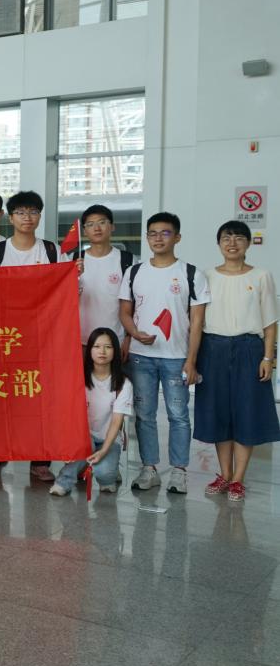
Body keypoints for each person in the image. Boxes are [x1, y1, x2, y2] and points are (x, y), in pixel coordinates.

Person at [120, 212, 210, 495]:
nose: (158, 238)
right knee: (144, 415)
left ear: (177, 237)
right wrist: (135, 334)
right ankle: (149, 468)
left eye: (165, 233)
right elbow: (124, 312)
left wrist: (191, 361)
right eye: (153, 233)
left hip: (177, 358)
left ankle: (179, 471)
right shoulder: (134, 272)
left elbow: (197, 322)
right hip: (140, 357)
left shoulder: (191, 274)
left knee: (178, 415)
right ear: (147, 237)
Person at [196, 220, 278, 501]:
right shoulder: (206, 276)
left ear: (248, 243)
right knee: (219, 413)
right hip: (213, 348)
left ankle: (238, 479)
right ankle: (224, 474)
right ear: (219, 244)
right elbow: (197, 320)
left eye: (239, 238)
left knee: (247, 412)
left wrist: (268, 357)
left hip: (249, 348)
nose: (232, 243)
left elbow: (270, 322)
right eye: (226, 238)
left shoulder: (261, 276)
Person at [51, 328, 131, 497]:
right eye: (97, 346)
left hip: (108, 439)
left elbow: (116, 422)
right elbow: (67, 414)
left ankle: (108, 470)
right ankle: (64, 481)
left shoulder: (123, 383)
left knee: (105, 477)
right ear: (89, 350)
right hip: (82, 437)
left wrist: (104, 451)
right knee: (85, 446)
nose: (102, 351)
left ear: (115, 351)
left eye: (108, 347)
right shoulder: (78, 378)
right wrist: (68, 446)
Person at [75, 204, 132, 352]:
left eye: (102, 222)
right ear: (84, 231)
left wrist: (129, 336)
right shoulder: (74, 259)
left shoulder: (127, 260)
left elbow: (134, 304)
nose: (97, 228)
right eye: (90, 224)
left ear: (112, 226)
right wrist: (74, 277)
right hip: (80, 340)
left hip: (115, 340)